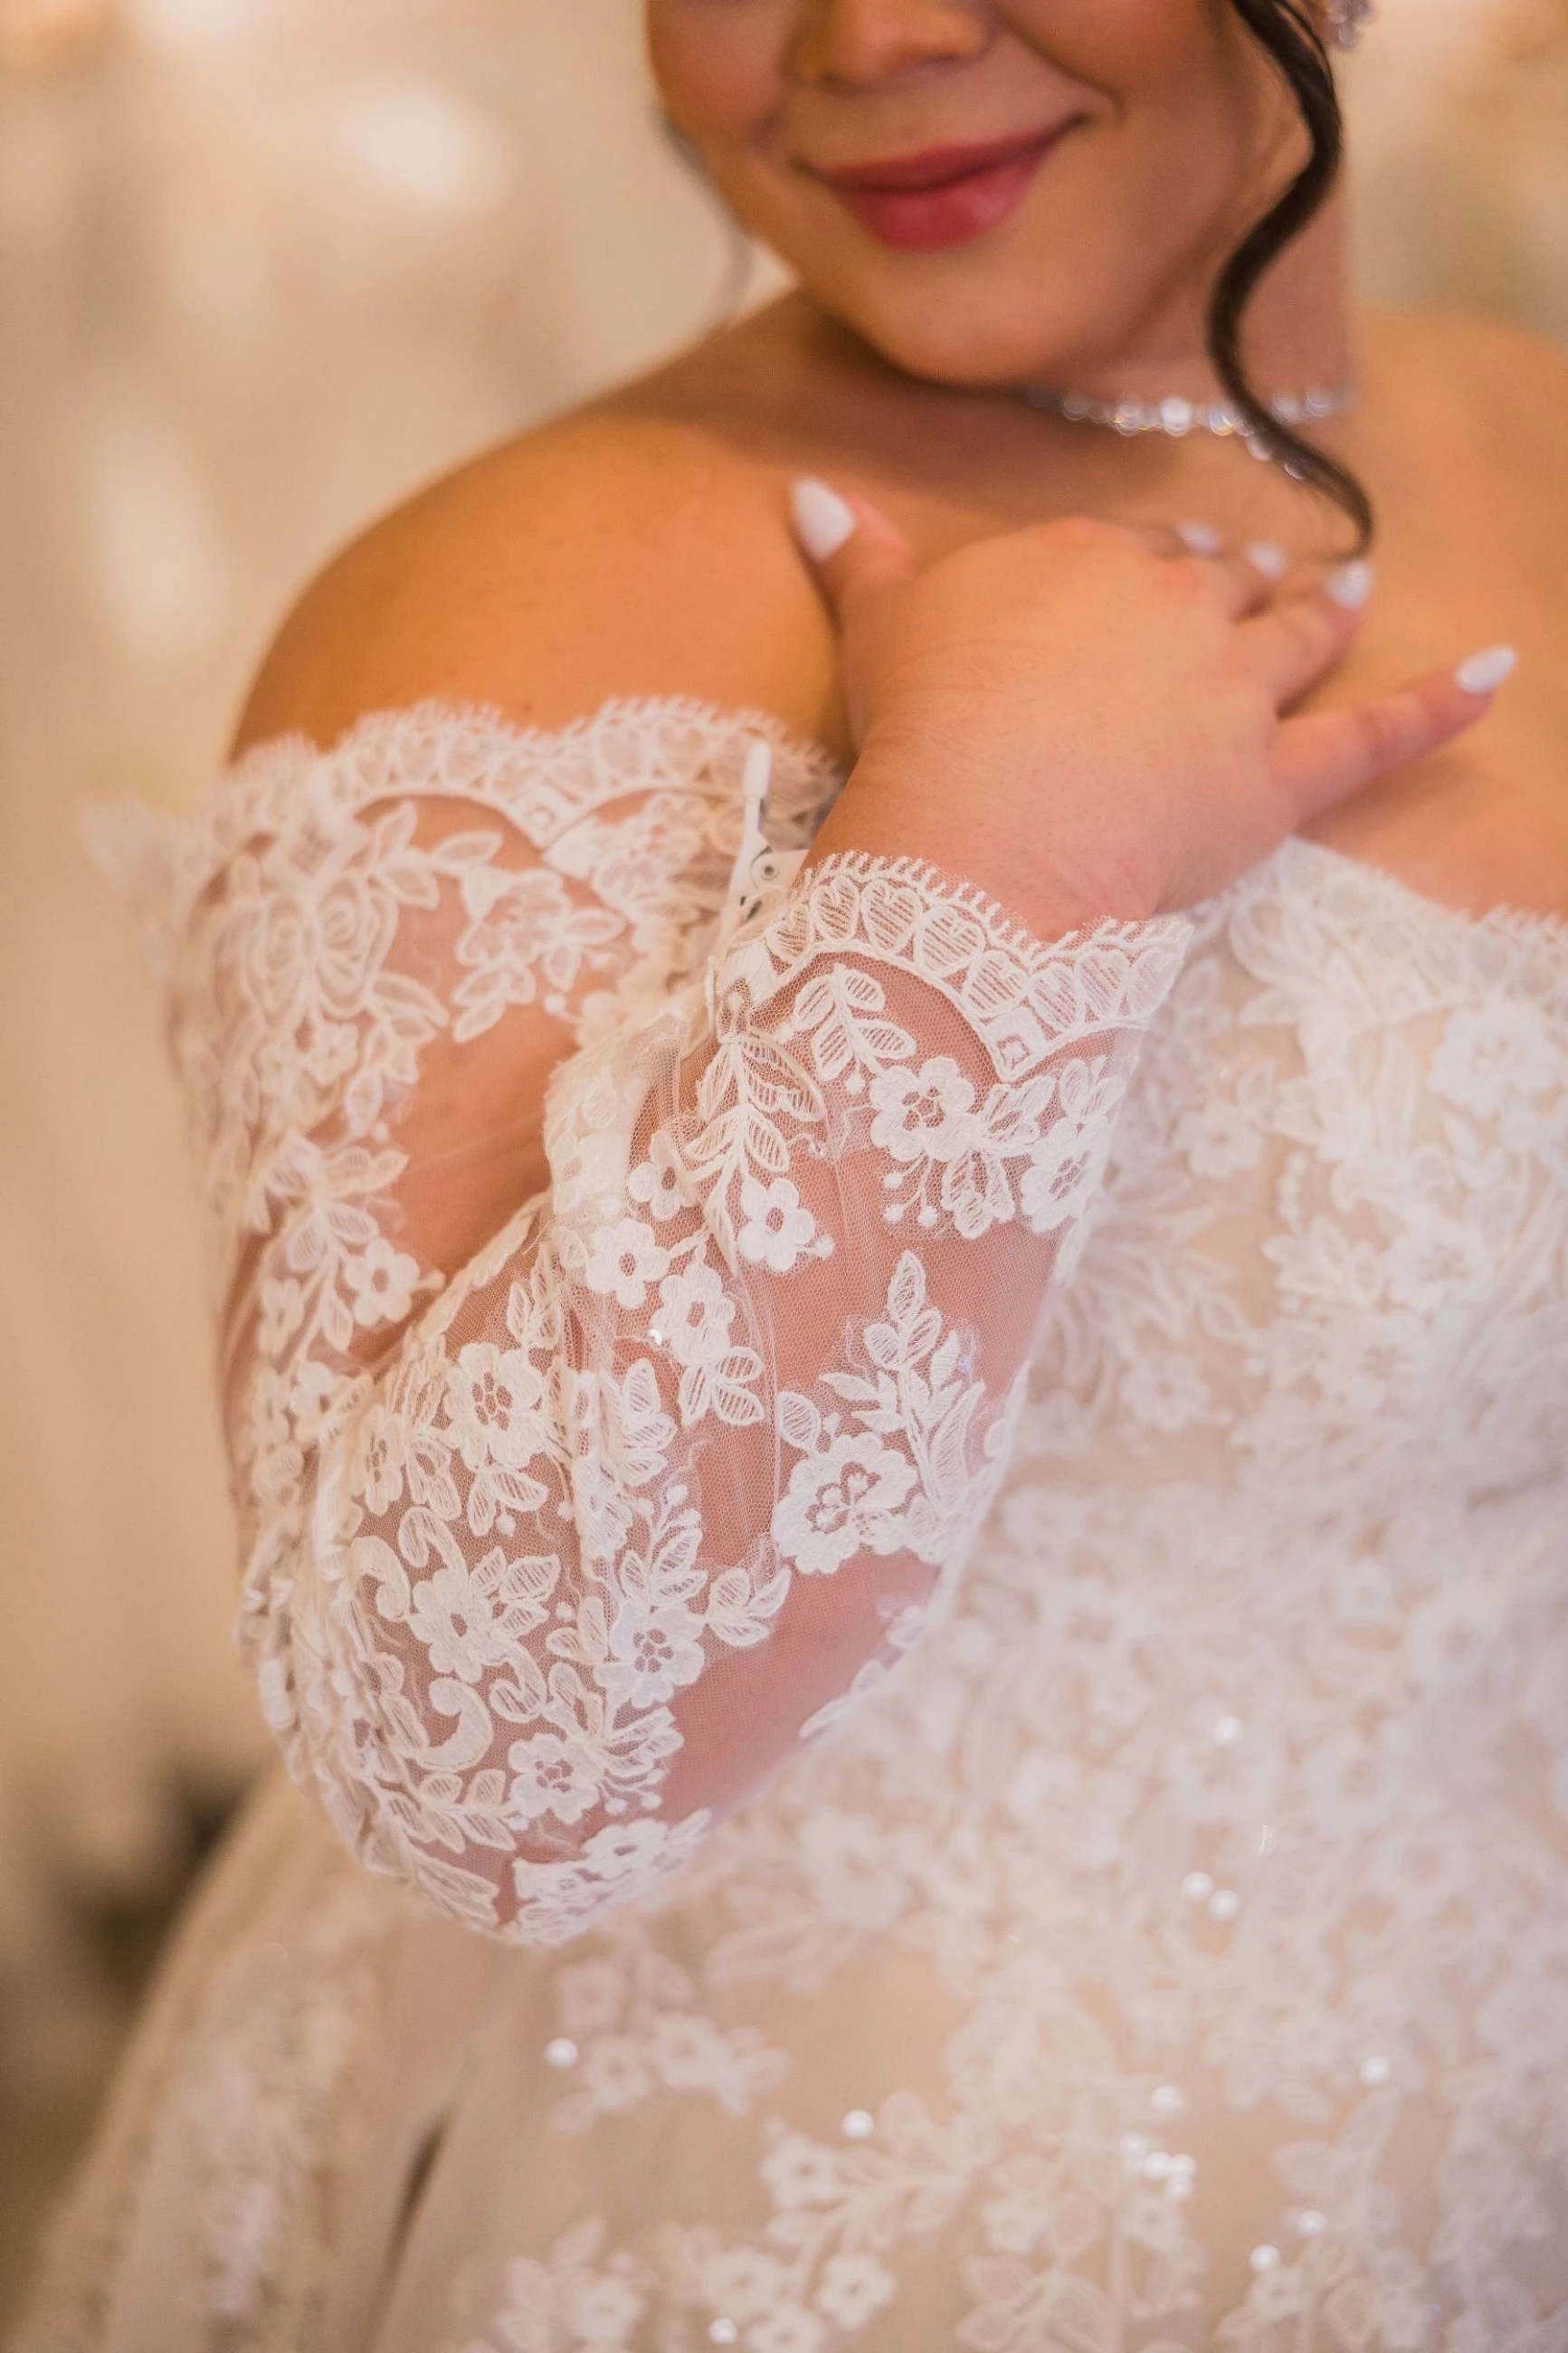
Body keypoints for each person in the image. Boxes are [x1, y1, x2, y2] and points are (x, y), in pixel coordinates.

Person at [15, 4, 1568, 2348]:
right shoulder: (543, 598)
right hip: (817, 2222)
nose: (872, 33)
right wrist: (987, 871)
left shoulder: (1530, 422)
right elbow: (480, 1750)